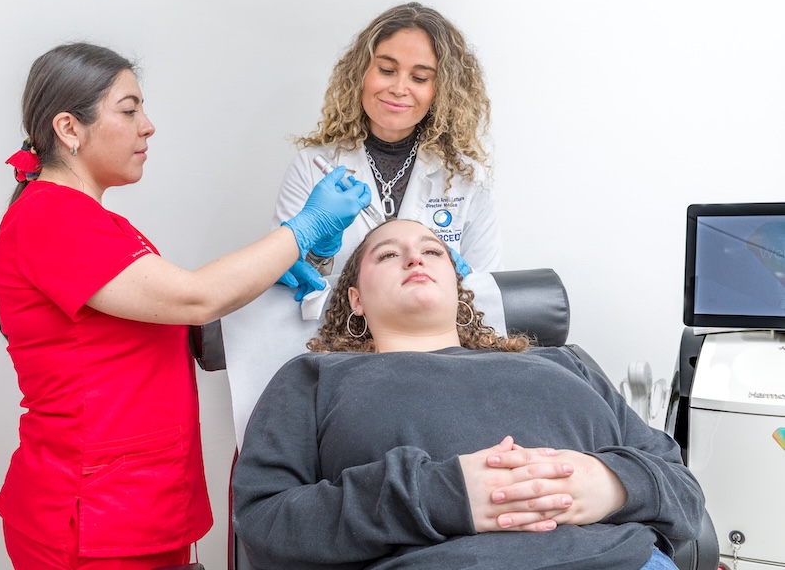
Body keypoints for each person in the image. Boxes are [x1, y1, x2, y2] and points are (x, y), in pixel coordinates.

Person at [0, 42, 371, 569]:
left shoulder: (96, 222)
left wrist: (263, 279)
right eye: (129, 110)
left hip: (138, 502)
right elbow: (194, 297)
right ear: (69, 129)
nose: (148, 126)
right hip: (92, 513)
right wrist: (300, 230)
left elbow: (162, 322)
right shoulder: (52, 218)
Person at [232, 220, 705, 570]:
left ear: (460, 290)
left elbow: (682, 488)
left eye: (432, 252)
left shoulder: (564, 361)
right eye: (387, 254)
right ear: (355, 299)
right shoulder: (314, 378)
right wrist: (441, 495)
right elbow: (265, 524)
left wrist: (612, 484)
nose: (415, 258)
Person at [273, 2, 502, 300]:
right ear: (361, 73)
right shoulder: (312, 166)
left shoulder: (466, 177)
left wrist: (461, 278)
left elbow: (490, 296)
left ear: (442, 91)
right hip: (337, 336)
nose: (398, 87)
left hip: (434, 341)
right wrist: (318, 255)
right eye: (386, 70)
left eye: (419, 78)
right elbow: (285, 281)